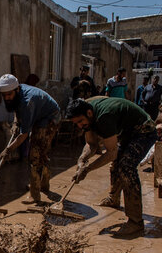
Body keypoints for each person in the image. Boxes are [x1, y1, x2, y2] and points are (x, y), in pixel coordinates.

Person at [66, 98, 157, 236]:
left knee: (126, 167)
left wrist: (88, 169)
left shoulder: (104, 118)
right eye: (76, 123)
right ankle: (113, 199)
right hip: (127, 132)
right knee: (116, 166)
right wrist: (82, 160)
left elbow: (111, 153)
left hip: (144, 131)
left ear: (89, 113)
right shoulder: (88, 116)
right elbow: (91, 144)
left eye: (80, 121)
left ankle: (135, 222)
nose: (79, 126)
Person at [0, 74, 61, 204]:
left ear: (16, 90)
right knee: (40, 153)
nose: (7, 98)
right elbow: (16, 108)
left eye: (9, 94)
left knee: (35, 155)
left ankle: (35, 195)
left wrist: (8, 150)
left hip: (50, 118)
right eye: (4, 95)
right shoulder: (17, 93)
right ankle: (42, 184)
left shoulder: (27, 102)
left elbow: (24, 135)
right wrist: (16, 123)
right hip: (39, 115)